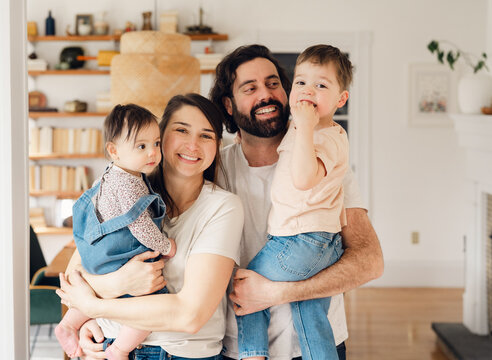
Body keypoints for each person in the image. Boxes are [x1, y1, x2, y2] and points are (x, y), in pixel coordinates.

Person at [209, 44, 384, 360]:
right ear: (229, 105)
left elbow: (370, 263)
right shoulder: (214, 170)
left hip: (315, 348)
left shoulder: (323, 161)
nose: (266, 94)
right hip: (234, 348)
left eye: (273, 83)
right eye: (250, 88)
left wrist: (278, 293)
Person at [57, 93, 244, 360]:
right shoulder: (122, 188)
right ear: (162, 135)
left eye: (206, 135)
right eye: (181, 130)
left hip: (179, 354)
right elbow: (73, 280)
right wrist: (97, 307)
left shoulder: (223, 207)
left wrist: (93, 305)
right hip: (107, 346)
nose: (193, 145)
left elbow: (189, 315)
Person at [234, 44, 351, 360]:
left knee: (245, 288)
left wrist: (306, 126)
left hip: (300, 241)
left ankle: (252, 354)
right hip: (319, 243)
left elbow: (302, 178)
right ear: (229, 106)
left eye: (321, 85)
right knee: (311, 315)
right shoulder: (220, 161)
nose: (308, 91)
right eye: (301, 82)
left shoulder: (321, 136)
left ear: (341, 100)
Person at [55, 104, 177, 360]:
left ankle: (68, 324)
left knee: (104, 292)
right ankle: (119, 350)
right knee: (151, 303)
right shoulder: (130, 184)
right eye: (141, 146)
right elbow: (141, 227)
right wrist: (166, 246)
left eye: (156, 143)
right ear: (114, 151)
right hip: (119, 250)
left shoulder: (111, 174)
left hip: (97, 252)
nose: (153, 152)